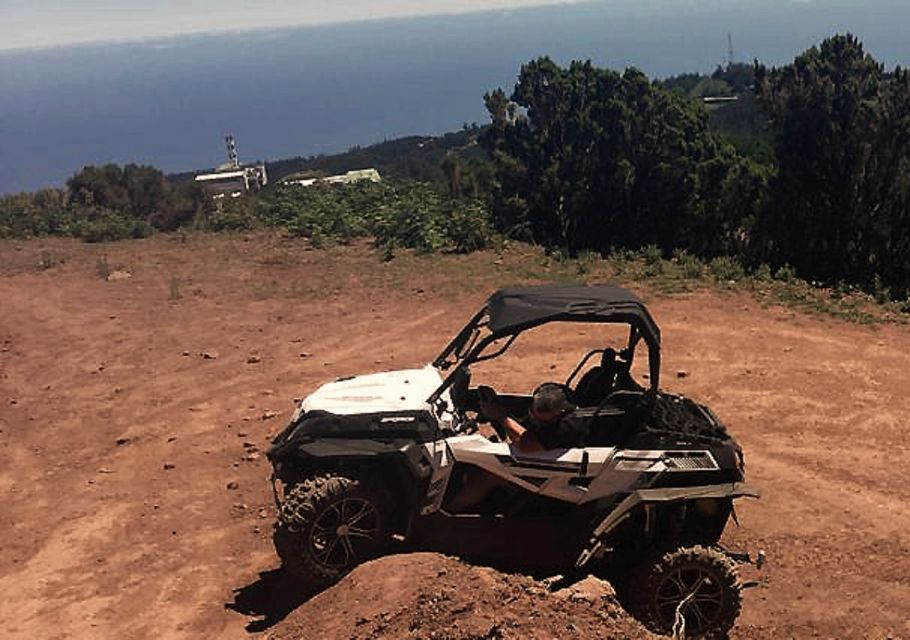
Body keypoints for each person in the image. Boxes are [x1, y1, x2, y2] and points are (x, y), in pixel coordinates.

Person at [479, 383, 586, 452]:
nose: (538, 423)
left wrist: (502, 417)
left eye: (544, 423)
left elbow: (527, 445)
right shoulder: (542, 411)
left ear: (560, 413)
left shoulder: (568, 426)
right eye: (535, 418)